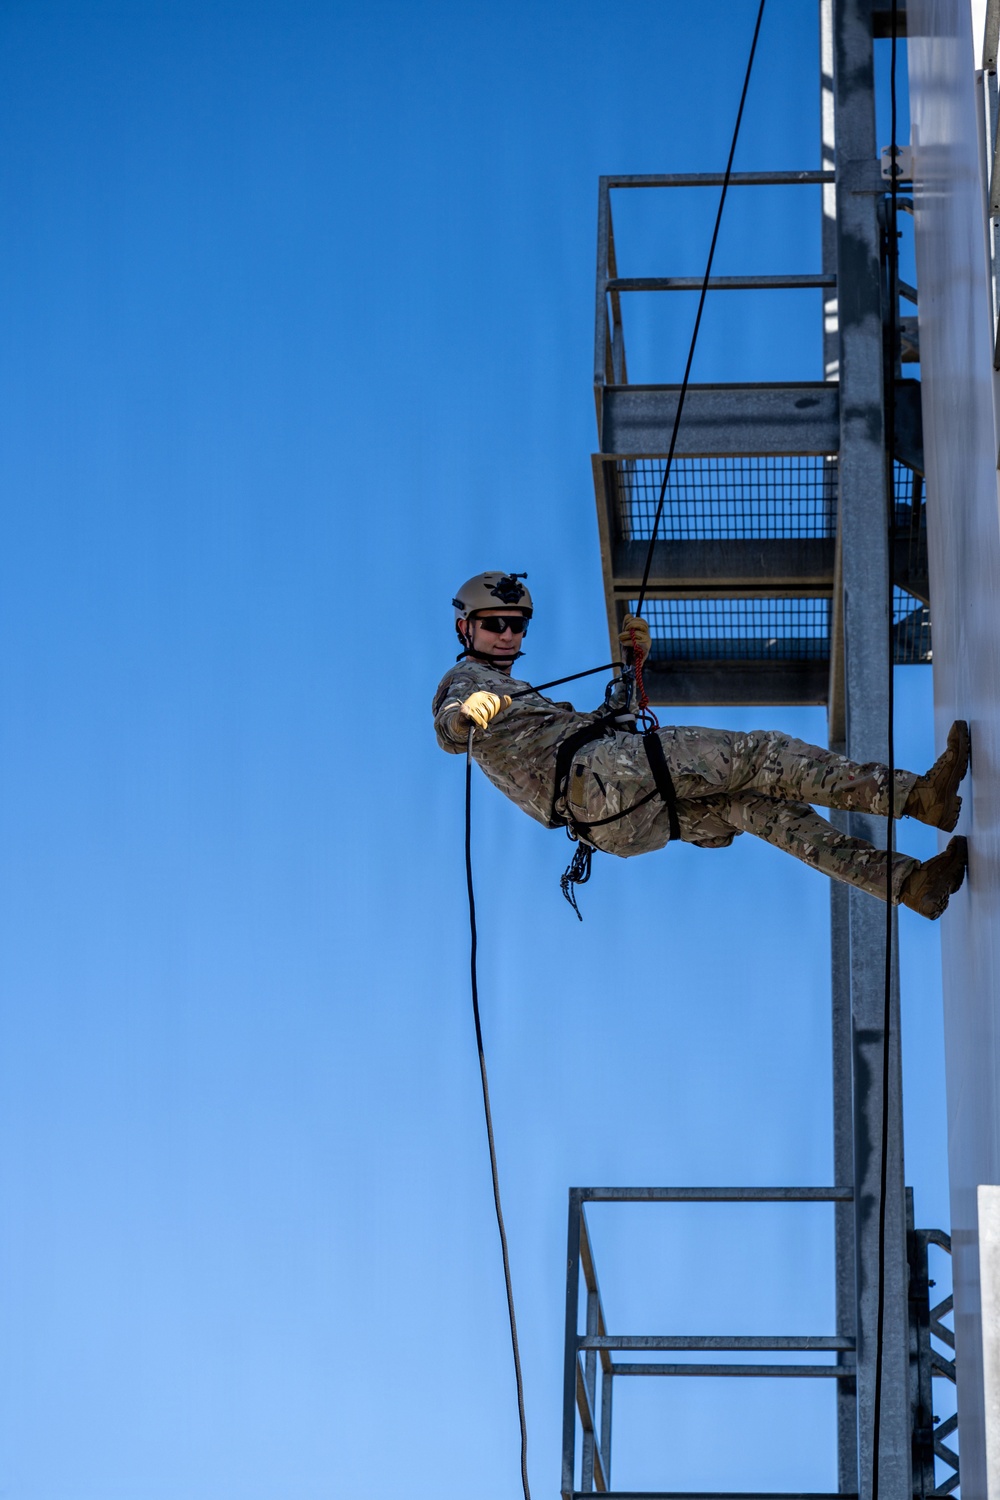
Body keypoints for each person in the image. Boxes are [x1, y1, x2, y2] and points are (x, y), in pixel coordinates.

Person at [433, 572, 970, 920]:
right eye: (495, 624)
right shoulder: (466, 682)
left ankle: (911, 885)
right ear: (466, 628)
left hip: (612, 822)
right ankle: (919, 797)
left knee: (761, 810)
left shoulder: (526, 704)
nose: (508, 635)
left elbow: (605, 727)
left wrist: (633, 668)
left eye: (517, 625)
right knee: (760, 756)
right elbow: (450, 729)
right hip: (601, 781)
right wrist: (465, 718)